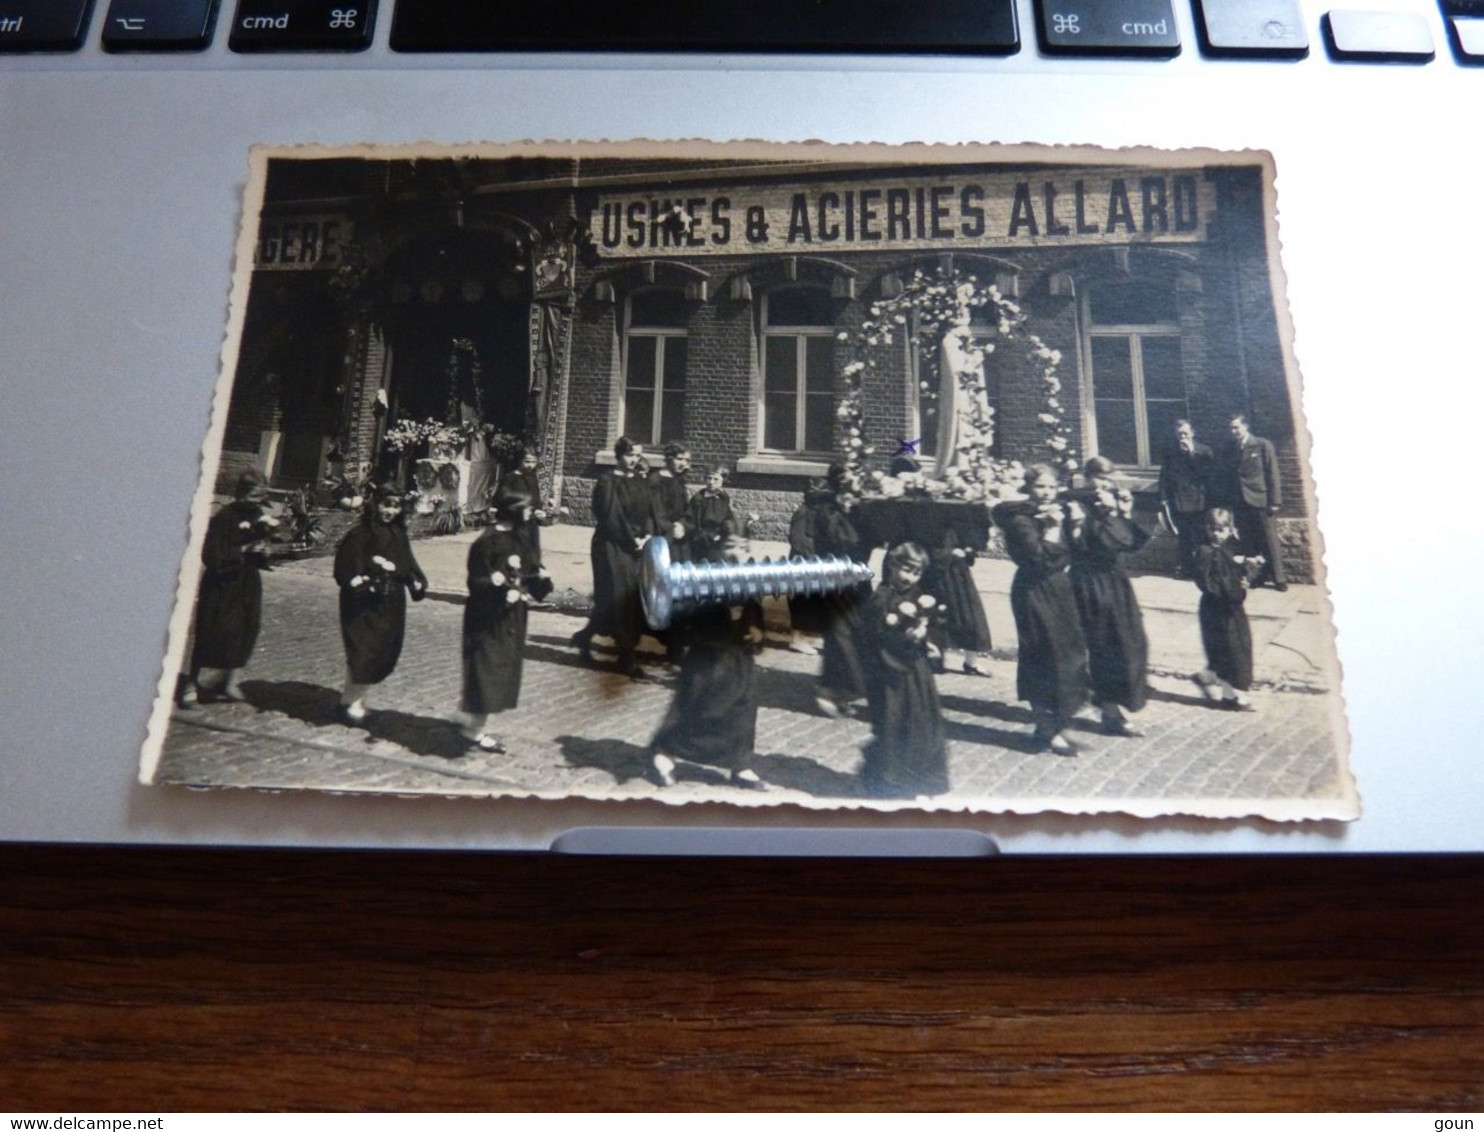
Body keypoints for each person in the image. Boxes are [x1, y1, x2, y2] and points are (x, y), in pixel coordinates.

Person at [648, 536, 766, 792]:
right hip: (708, 657)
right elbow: (684, 614)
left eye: (745, 550)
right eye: (733, 550)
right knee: (698, 708)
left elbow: (755, 613)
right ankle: (665, 753)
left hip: (739, 657)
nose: (740, 556)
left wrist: (756, 631)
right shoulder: (703, 578)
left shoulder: (750, 579)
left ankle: (740, 764)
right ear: (720, 553)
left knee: (743, 709)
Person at [992, 463, 1090, 756]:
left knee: (1069, 653)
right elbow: (1037, 559)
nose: (1046, 493)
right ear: (1029, 488)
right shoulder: (1021, 519)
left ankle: (1056, 723)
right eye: (1040, 487)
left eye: (1051, 487)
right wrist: (1054, 529)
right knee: (1043, 654)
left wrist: (1075, 525)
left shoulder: (1057, 512)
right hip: (1033, 591)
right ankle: (1045, 726)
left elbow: (1076, 551)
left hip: (1059, 588)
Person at [460, 485, 554, 752]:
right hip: (488, 619)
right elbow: (476, 582)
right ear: (513, 511)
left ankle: (473, 721)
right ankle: (473, 728)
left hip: (513, 618)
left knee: (500, 670)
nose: (530, 513)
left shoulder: (519, 539)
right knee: (487, 669)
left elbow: (530, 571)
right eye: (526, 509)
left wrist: (541, 581)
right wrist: (496, 588)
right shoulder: (485, 543)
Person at [331, 483, 428, 726]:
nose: (391, 511)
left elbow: (408, 563)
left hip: (390, 602)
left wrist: (415, 581)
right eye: (386, 505)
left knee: (381, 652)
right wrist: (359, 580)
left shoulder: (398, 533)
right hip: (364, 603)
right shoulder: (361, 533)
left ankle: (353, 698)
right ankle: (350, 703)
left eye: (396, 506)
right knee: (363, 650)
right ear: (376, 505)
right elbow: (346, 567)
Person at [858, 542, 950, 799]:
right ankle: (888, 779)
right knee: (894, 724)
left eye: (916, 572)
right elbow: (876, 635)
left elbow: (936, 623)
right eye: (905, 570)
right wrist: (906, 635)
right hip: (892, 672)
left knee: (923, 724)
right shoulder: (882, 597)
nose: (909, 577)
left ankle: (919, 779)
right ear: (892, 565)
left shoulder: (919, 596)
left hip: (917, 672)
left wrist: (928, 637)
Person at [1068, 456, 1151, 737]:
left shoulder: (1108, 502)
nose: (1105, 484)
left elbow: (1133, 544)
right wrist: (1107, 514)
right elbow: (1101, 543)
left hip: (1116, 583)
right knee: (1106, 646)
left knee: (1133, 643)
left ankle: (1108, 702)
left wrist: (1124, 513)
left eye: (1108, 478)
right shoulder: (1077, 503)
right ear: (1088, 477)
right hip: (1091, 584)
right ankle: (1110, 711)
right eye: (1100, 478)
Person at [181, 469, 277, 706]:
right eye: (255, 497)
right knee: (212, 631)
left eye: (260, 498)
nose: (258, 504)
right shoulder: (224, 518)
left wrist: (264, 553)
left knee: (246, 628)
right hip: (222, 585)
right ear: (243, 494)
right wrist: (242, 551)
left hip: (246, 583)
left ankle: (229, 681)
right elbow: (210, 555)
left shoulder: (257, 515)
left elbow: (260, 548)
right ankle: (190, 685)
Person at [571, 436, 656, 677]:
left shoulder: (640, 481)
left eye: (638, 455)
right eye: (630, 455)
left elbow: (649, 511)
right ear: (619, 456)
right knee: (619, 596)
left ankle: (584, 637)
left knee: (622, 598)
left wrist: (647, 535)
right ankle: (626, 656)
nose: (634, 460)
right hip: (610, 546)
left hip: (635, 546)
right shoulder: (607, 482)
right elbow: (611, 517)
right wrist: (632, 541)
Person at [799, 463, 869, 717]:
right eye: (848, 484)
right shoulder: (825, 512)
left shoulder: (858, 511)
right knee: (839, 639)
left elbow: (867, 541)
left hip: (858, 582)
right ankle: (829, 691)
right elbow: (840, 541)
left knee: (858, 636)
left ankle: (843, 692)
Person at [1191, 508, 1262, 710]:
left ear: (1230, 530)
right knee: (1226, 651)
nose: (1216, 533)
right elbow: (1207, 582)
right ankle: (1230, 696)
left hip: (1233, 609)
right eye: (1213, 529)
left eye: (1221, 529)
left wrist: (1247, 575)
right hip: (1216, 609)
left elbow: (1237, 576)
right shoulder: (1205, 552)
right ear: (1207, 529)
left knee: (1238, 649)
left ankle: (1216, 685)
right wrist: (1231, 589)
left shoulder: (1230, 550)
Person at [1219, 413, 1287, 591]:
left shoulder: (1262, 445)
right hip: (1240, 502)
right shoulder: (1230, 448)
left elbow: (1272, 473)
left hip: (1261, 500)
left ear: (1246, 427)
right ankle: (1256, 576)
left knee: (1269, 541)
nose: (1234, 431)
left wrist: (1275, 501)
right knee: (1249, 542)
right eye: (1231, 428)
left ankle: (1279, 579)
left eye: (1237, 427)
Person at [1158, 419, 1213, 579]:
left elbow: (1207, 476)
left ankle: (1204, 569)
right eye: (1179, 434)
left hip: (1200, 502)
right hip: (1179, 501)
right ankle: (1186, 568)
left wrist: (1191, 454)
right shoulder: (1171, 452)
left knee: (1202, 536)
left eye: (1185, 434)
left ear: (1192, 433)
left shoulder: (1204, 451)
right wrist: (1163, 498)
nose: (1182, 437)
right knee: (1184, 537)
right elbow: (1164, 476)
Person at [502, 445, 546, 568]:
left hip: (530, 525)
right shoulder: (510, 478)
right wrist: (518, 512)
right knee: (515, 556)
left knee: (532, 555)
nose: (530, 465)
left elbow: (536, 498)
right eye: (527, 461)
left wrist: (538, 510)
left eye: (533, 462)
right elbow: (502, 501)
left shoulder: (532, 478)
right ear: (520, 460)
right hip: (514, 525)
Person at [648, 441, 693, 562]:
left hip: (680, 534)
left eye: (686, 460)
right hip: (663, 535)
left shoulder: (679, 479)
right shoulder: (655, 481)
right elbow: (656, 512)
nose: (683, 463)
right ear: (669, 459)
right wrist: (671, 528)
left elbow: (685, 508)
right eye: (679, 459)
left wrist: (682, 524)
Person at [686, 465, 736, 563]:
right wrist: (708, 536)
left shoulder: (723, 498)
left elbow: (728, 519)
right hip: (702, 541)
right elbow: (693, 522)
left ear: (723, 481)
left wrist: (726, 531)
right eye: (709, 478)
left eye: (715, 479)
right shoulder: (698, 499)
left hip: (720, 540)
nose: (711, 482)